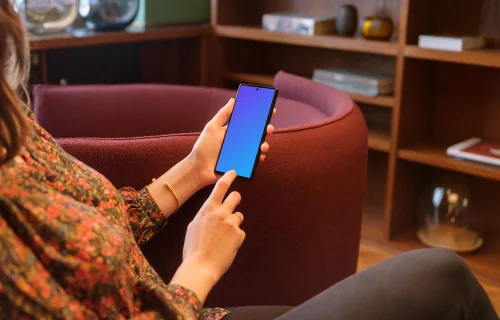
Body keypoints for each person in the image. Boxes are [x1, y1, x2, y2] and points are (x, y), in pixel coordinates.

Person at [0, 1, 498, 319]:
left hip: (181, 304)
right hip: (182, 303)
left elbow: (89, 221)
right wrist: (198, 267)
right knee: (443, 277)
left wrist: (192, 169)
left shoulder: (14, 133)